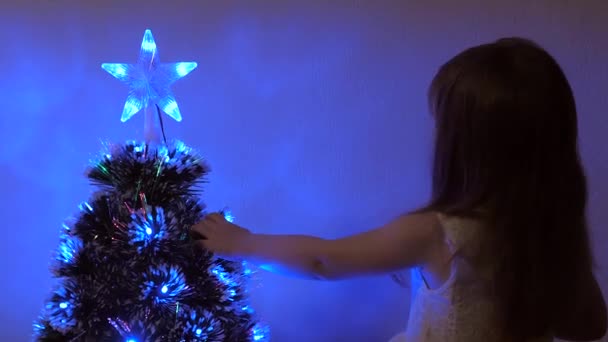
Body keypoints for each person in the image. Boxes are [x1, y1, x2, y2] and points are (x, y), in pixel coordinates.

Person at [191, 37, 607, 341]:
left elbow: (324, 261)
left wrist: (244, 242)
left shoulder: (438, 234)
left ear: (464, 148)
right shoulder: (553, 231)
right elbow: (590, 324)